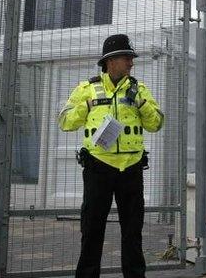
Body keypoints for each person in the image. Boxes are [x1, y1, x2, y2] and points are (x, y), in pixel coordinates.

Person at [58, 34, 164, 277]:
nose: (131, 63)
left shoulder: (140, 90)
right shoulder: (87, 89)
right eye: (127, 57)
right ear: (110, 61)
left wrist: (142, 104)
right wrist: (86, 106)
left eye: (131, 58)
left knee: (133, 231)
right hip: (98, 169)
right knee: (92, 230)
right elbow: (64, 121)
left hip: (132, 169)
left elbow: (156, 123)